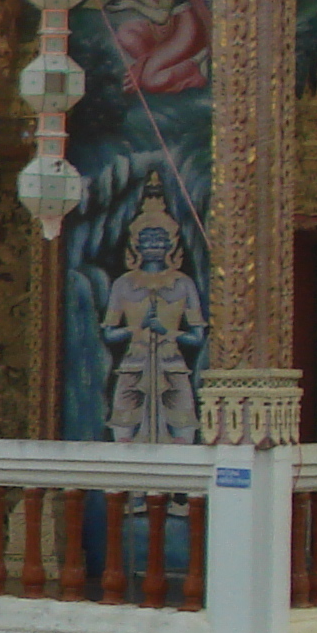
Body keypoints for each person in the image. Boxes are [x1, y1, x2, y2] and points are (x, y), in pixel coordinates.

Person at [102, 177, 205, 445]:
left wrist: (168, 331)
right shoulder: (124, 284)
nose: (154, 246)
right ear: (136, 244)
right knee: (123, 431)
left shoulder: (183, 283)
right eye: (147, 240)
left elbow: (198, 337)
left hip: (172, 362)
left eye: (160, 240)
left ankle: (179, 485)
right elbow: (109, 334)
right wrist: (135, 328)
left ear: (171, 244)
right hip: (134, 362)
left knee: (184, 429)